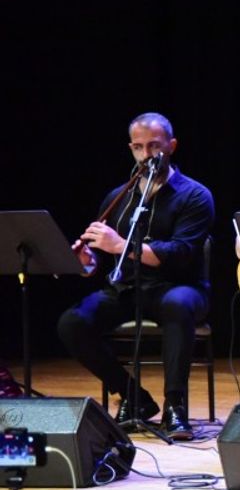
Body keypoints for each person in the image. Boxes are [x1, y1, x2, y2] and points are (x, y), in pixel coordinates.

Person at [57, 112, 215, 440]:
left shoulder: (195, 195)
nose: (147, 155)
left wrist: (121, 246)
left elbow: (181, 253)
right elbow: (101, 260)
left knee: (176, 305)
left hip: (180, 286)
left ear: (172, 146)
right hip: (129, 288)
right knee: (72, 323)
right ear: (131, 149)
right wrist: (85, 261)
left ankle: (175, 406)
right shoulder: (119, 196)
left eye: (154, 146)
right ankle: (133, 396)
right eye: (139, 147)